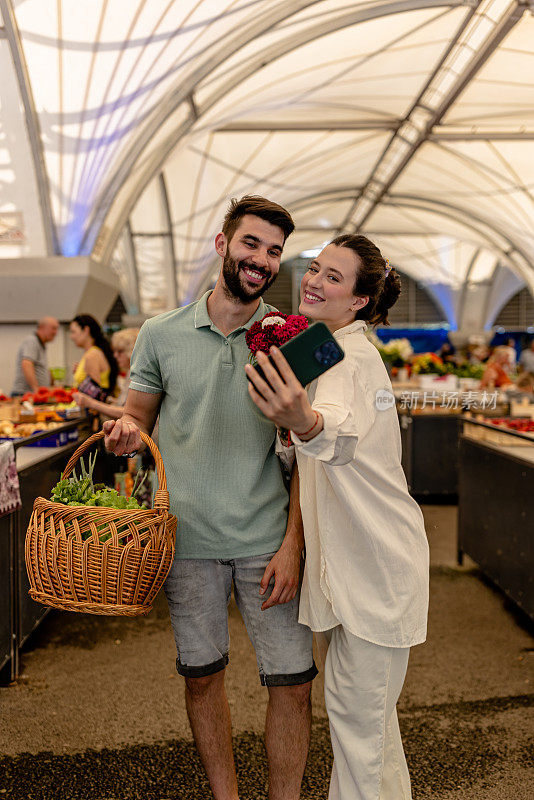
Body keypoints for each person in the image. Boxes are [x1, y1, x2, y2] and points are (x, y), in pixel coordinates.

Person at [103, 196, 317, 800]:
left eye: (274, 251)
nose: (262, 260)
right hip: (188, 542)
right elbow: (137, 424)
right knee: (203, 679)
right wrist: (124, 434)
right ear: (222, 245)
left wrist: (295, 544)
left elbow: (308, 454)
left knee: (294, 684)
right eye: (251, 244)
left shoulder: (288, 338)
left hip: (267, 543)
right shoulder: (161, 335)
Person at [246, 235, 429, 800]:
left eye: (333, 278)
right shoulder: (326, 349)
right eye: (315, 269)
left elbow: (339, 433)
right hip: (362, 566)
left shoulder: (351, 355)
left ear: (357, 301)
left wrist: (305, 422)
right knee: (368, 725)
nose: (313, 281)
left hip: (376, 569)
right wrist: (295, 427)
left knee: (357, 726)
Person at [72, 328, 139, 419]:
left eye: (120, 351)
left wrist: (91, 403)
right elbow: (124, 405)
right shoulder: (130, 373)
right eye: (115, 351)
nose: (115, 355)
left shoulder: (138, 376)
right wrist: (107, 399)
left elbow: (129, 413)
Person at [69, 314, 118, 397]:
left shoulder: (92, 355)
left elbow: (94, 394)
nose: (71, 337)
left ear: (86, 330)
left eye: (73, 332)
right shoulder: (92, 353)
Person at [11, 317, 59, 396]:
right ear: (42, 328)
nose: (55, 332)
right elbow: (26, 364)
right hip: (24, 394)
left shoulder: (41, 344)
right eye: (53, 328)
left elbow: (40, 367)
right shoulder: (32, 341)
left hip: (32, 394)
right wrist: (36, 389)